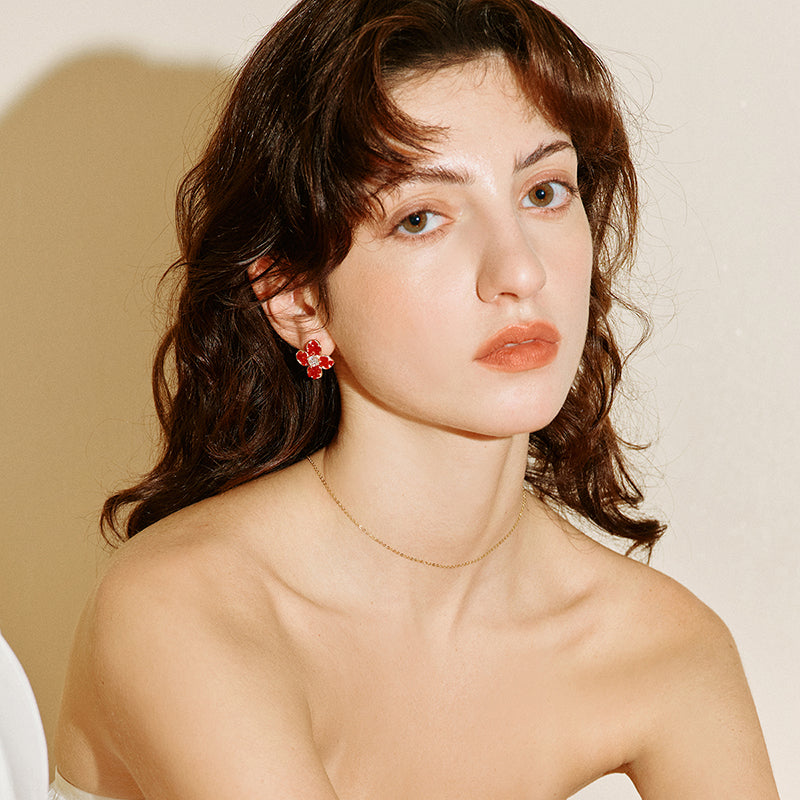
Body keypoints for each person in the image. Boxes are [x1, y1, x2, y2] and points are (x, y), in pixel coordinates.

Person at [51, 0, 780, 797]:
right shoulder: (185, 610)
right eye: (422, 218)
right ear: (298, 299)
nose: (519, 272)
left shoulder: (664, 646)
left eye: (543, 193)